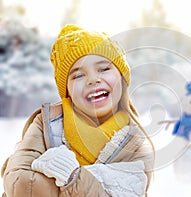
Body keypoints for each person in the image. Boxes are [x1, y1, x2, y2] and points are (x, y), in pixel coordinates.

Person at [1, 24, 154, 197]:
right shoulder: (46, 125)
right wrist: (95, 185)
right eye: (78, 75)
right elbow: (20, 184)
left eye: (103, 69)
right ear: (67, 91)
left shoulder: (135, 144)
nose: (93, 79)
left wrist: (73, 177)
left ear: (122, 77)